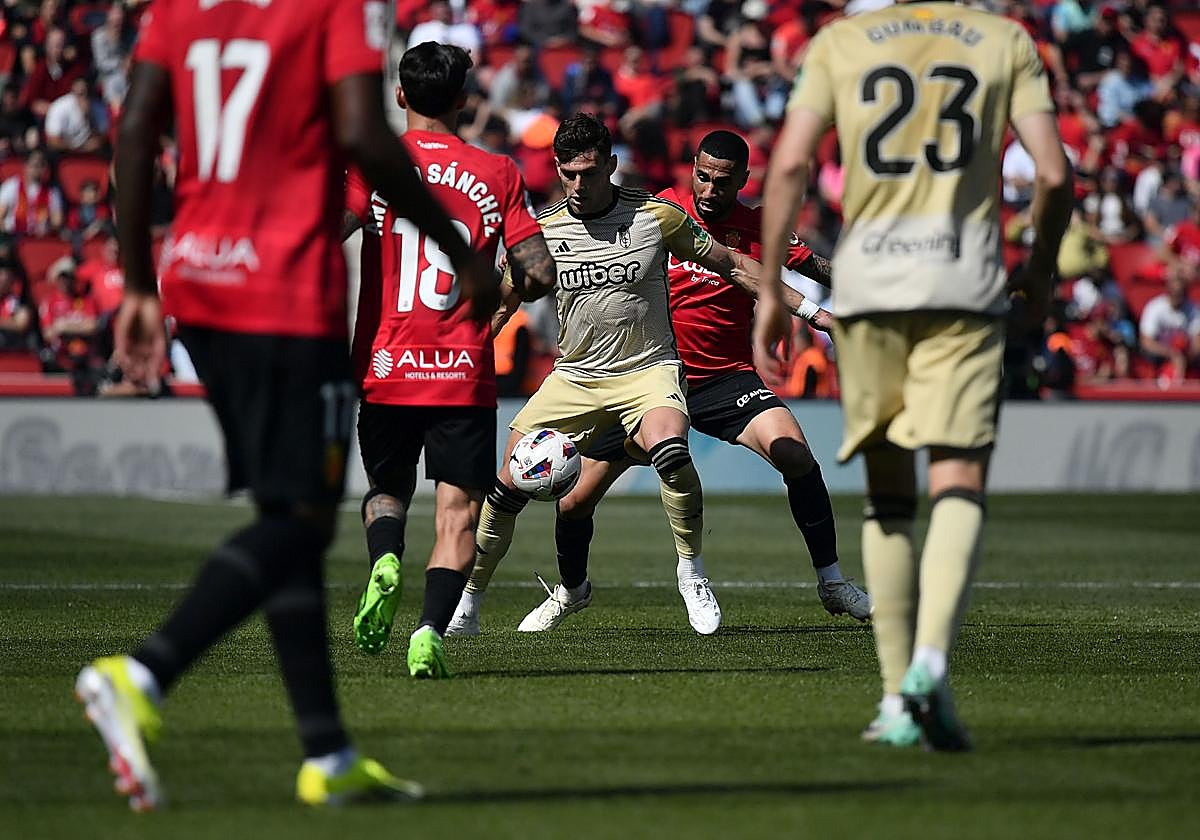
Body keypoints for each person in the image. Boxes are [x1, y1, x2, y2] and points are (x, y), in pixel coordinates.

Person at [74, 0, 494, 811]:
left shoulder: (176, 13)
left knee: (288, 513)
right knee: (298, 520)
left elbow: (132, 137)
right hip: (281, 290)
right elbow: (368, 138)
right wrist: (453, 249)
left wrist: (132, 280)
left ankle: (328, 755)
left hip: (197, 278)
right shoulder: (325, 11)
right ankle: (143, 673)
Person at [758, 1, 1072, 751]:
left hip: (870, 291)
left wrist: (771, 289)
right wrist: (1039, 272)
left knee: (890, 500)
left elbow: (792, 165)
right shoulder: (1004, 41)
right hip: (964, 283)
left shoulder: (841, 42)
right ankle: (932, 663)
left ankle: (899, 699)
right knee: (959, 480)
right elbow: (1055, 176)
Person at [448, 113, 827, 638]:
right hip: (576, 378)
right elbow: (503, 303)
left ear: (611, 165)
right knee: (507, 489)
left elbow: (735, 264)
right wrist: (457, 355)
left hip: (648, 371)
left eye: (589, 172)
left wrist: (815, 315)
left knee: (672, 453)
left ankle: (692, 573)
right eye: (568, 173)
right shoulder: (544, 232)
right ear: (557, 170)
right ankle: (470, 602)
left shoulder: (657, 216)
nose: (579, 185)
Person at [342, 43, 555, 679]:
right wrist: (508, 292)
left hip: (384, 364)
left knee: (386, 491)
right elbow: (538, 270)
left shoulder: (371, 165)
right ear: (463, 100)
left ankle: (385, 557)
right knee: (457, 512)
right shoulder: (497, 172)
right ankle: (430, 630)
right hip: (461, 370)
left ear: (401, 96)